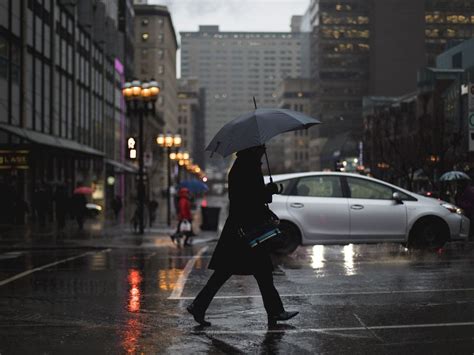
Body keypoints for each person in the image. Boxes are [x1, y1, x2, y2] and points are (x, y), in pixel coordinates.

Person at [186, 145, 298, 327]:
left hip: (241, 227)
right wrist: (269, 191)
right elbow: (250, 198)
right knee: (257, 272)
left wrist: (266, 192)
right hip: (247, 229)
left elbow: (251, 197)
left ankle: (199, 306)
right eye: (262, 147)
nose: (264, 149)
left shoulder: (243, 165)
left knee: (244, 272)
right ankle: (275, 312)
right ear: (254, 149)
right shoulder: (248, 167)